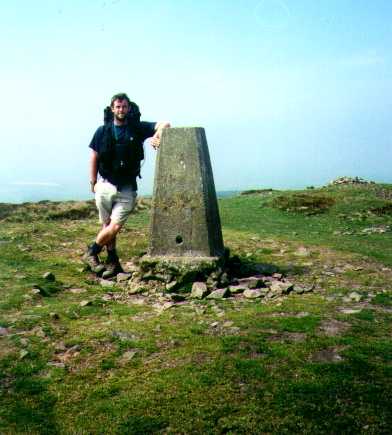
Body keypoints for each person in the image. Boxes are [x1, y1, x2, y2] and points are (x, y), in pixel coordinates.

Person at [83, 92, 170, 278]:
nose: (121, 110)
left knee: (113, 227)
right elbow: (94, 157)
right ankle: (113, 262)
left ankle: (91, 252)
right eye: (118, 107)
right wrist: (93, 182)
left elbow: (165, 124)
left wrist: (159, 135)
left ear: (129, 108)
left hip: (127, 188)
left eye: (124, 107)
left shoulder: (137, 128)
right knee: (107, 225)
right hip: (105, 184)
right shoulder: (102, 131)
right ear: (112, 109)